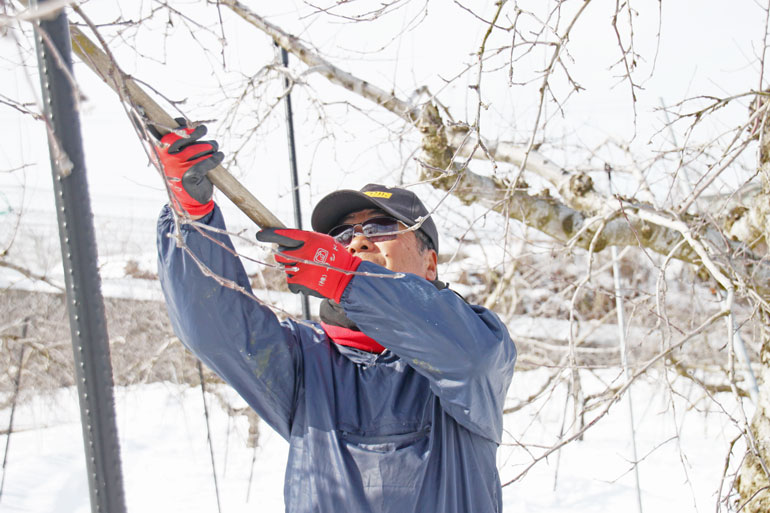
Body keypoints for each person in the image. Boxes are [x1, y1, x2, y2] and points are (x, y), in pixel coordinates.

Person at [155, 122, 517, 512]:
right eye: (342, 237)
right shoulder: (305, 361)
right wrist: (190, 216)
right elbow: (214, 328)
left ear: (431, 263)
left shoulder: (475, 343)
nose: (358, 241)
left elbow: (471, 360)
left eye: (380, 228)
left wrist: (351, 279)